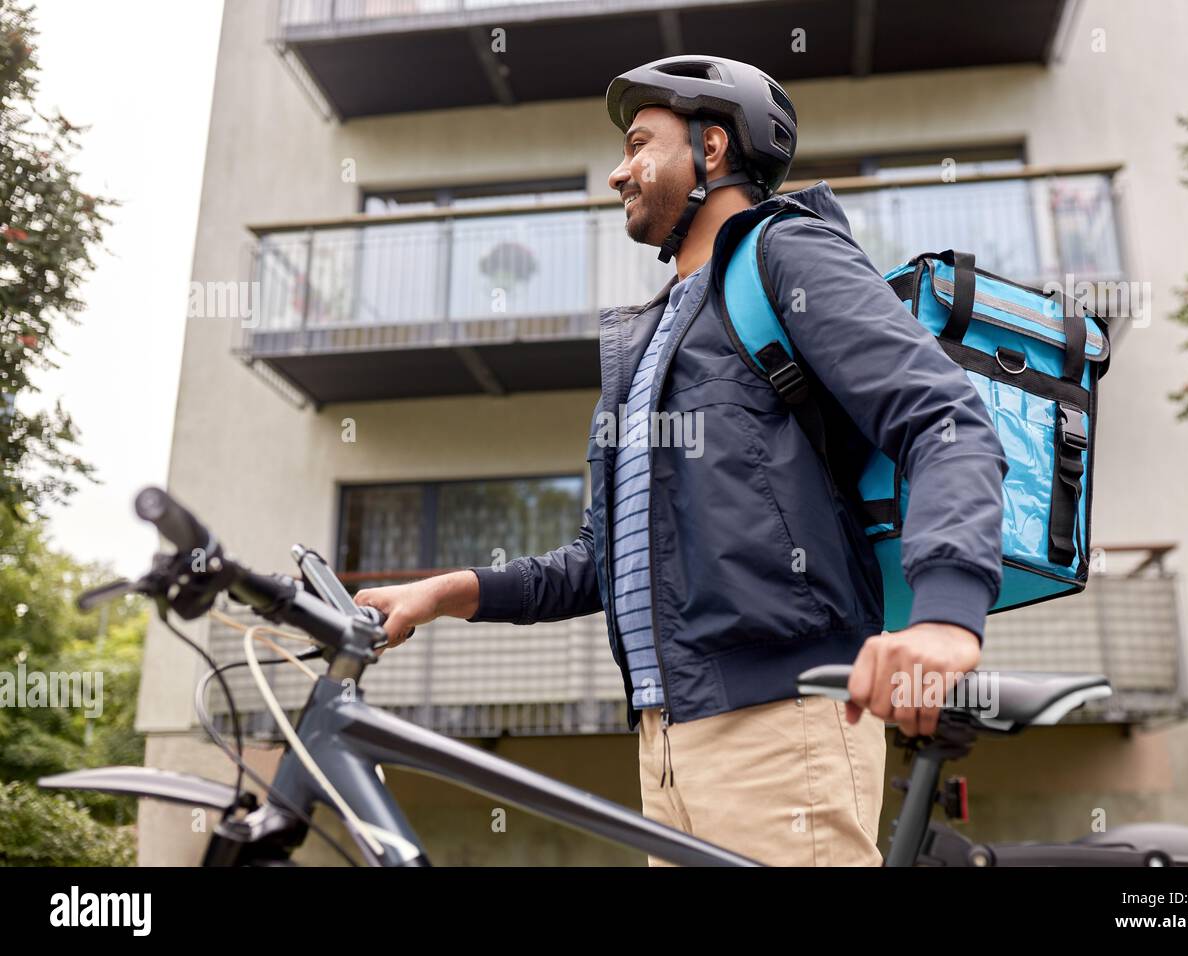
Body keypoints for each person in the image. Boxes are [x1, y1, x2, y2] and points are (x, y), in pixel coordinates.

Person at [357, 54, 1007, 867]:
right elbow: (604, 562)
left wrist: (946, 619)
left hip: (781, 725)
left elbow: (945, 419)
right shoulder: (644, 343)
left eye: (638, 144)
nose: (616, 172)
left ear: (710, 149)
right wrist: (449, 593)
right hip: (665, 742)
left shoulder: (785, 257)